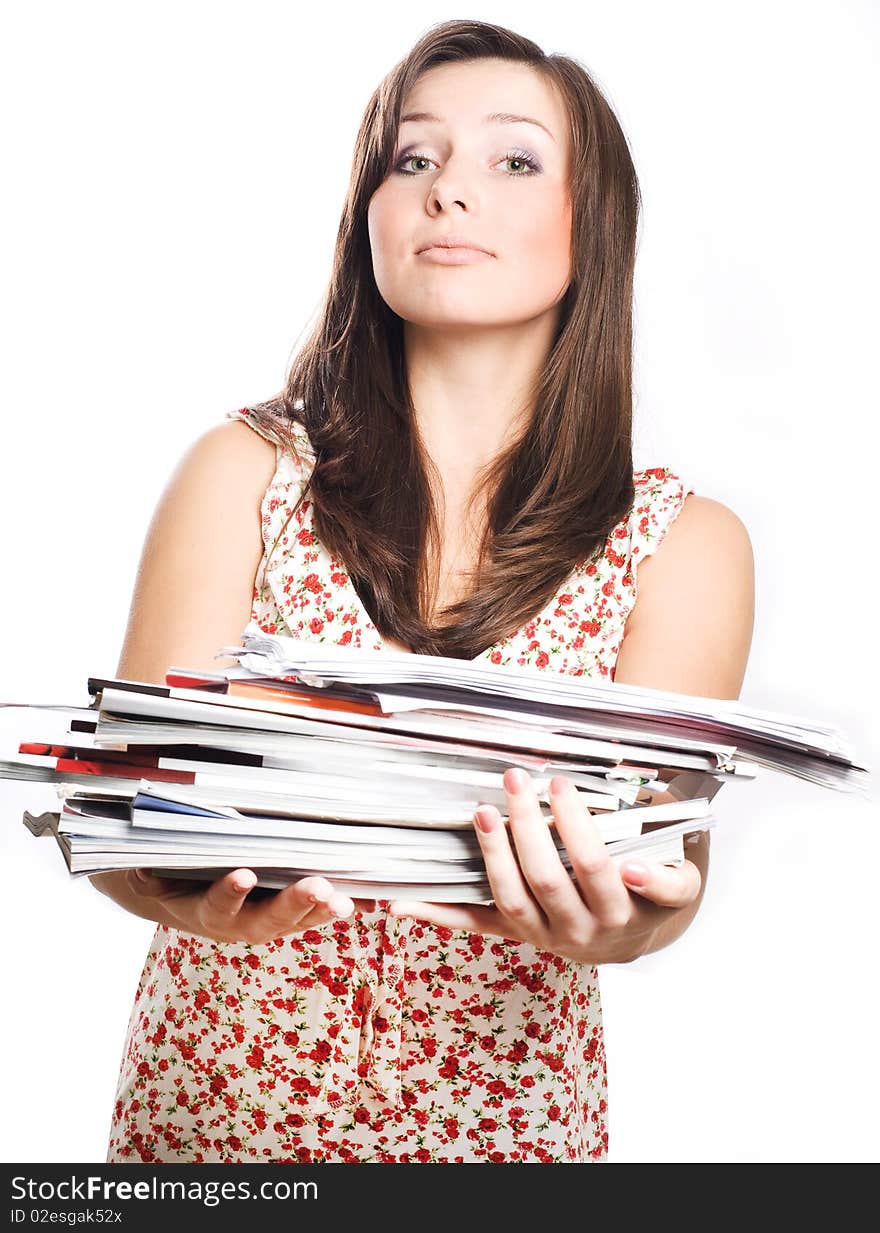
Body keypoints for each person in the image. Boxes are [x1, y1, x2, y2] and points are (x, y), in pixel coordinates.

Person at [88, 19, 754, 1164]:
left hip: (502, 1134)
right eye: (414, 159)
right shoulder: (242, 473)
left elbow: (668, 871)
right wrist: (170, 890)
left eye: (512, 160)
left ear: (591, 227)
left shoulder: (681, 543)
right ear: (372, 218)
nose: (449, 192)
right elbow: (127, 815)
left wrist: (623, 923)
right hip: (215, 1125)